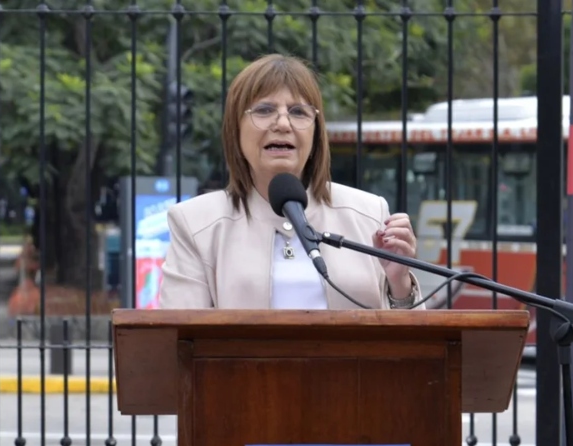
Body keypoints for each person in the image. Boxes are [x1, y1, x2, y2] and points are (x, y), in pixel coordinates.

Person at [158, 53, 425, 312]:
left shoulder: (369, 213)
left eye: (298, 112)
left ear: (315, 130)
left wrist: (399, 281)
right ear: (234, 129)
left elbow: (416, 347)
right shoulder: (194, 222)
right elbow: (177, 338)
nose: (283, 123)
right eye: (264, 110)